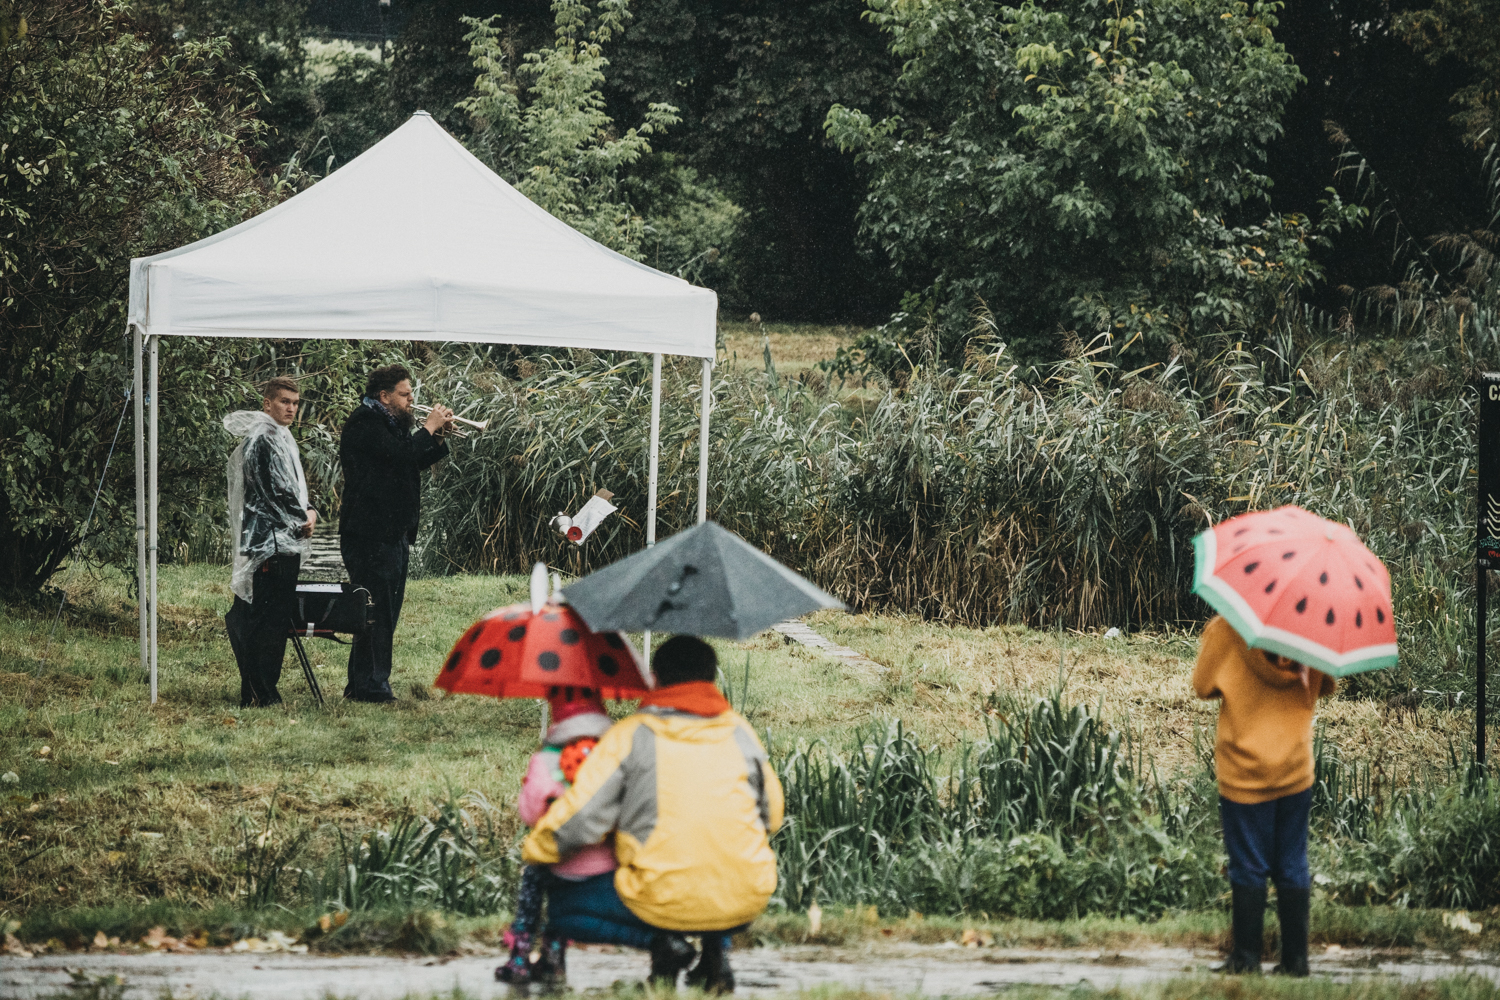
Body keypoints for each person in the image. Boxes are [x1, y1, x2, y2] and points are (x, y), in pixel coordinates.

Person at [523, 635, 783, 993]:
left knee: (563, 907)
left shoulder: (630, 735)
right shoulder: (741, 732)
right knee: (712, 865)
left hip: (660, 896)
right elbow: (773, 816)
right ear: (711, 680)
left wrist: (536, 850)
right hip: (744, 895)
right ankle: (713, 957)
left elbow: (580, 820)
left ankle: (665, 945)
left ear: (655, 678)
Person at [1193, 616, 1336, 977]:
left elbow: (1202, 685)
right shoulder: (1311, 632)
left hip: (1244, 771)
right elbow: (1326, 686)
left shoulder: (1226, 629)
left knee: (1248, 863)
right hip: (1294, 769)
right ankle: (1296, 961)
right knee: (1292, 862)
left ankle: (1246, 957)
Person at [338, 364, 452, 703]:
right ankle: (370, 686)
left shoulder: (389, 423)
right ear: (384, 396)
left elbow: (409, 461)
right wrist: (428, 427)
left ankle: (366, 683)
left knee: (385, 610)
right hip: (370, 534)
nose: (411, 400)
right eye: (405, 394)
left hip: (391, 534)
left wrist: (438, 436)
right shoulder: (365, 422)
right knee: (376, 611)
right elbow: (400, 457)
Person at [496, 687, 615, 987]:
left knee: (536, 873)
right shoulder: (616, 752)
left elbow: (530, 812)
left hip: (561, 862)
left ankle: (522, 956)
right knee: (558, 889)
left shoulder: (549, 757)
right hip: (608, 861)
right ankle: (553, 955)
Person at [223, 376, 317, 708]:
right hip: (268, 543)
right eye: (284, 402)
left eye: (295, 402)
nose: (291, 408)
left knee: (275, 620)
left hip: (281, 540)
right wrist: (302, 516)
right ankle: (258, 691)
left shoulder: (280, 436)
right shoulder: (262, 440)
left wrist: (308, 509)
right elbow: (272, 491)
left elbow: (291, 488)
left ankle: (263, 688)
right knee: (263, 621)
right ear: (268, 403)